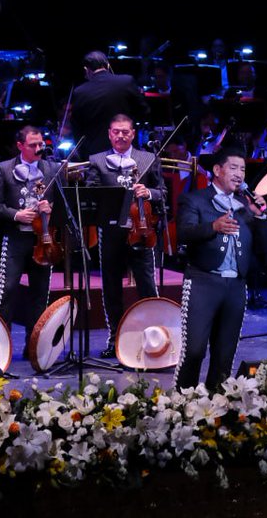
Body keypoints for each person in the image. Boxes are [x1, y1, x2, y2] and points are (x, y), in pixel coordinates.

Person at [174, 146, 267, 390]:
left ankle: (215, 408)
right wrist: (213, 227)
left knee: (224, 354)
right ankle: (181, 401)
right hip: (203, 282)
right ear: (217, 170)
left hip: (236, 285)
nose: (240, 174)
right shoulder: (194, 199)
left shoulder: (245, 206)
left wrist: (260, 217)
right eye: (234, 168)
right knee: (195, 350)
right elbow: (184, 233)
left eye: (243, 169)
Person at [86, 114, 164, 355]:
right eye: (116, 131)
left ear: (133, 134)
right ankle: (115, 338)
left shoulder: (148, 158)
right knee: (111, 288)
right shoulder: (97, 161)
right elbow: (91, 194)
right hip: (111, 233)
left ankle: (155, 336)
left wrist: (148, 192)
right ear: (110, 133)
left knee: (147, 285)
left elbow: (162, 191)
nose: (120, 135)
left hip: (141, 230)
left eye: (125, 132)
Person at [0, 126, 63, 334]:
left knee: (40, 293)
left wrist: (52, 208)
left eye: (41, 144)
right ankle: (1, 339)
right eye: (33, 145)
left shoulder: (52, 169)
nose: (38, 148)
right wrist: (16, 214)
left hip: (44, 237)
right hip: (15, 237)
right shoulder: (4, 169)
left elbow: (64, 206)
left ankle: (34, 345)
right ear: (20, 146)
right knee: (8, 289)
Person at [70, 51, 147, 157]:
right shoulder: (126, 81)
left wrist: (84, 155)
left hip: (96, 153)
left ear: (86, 70)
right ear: (108, 65)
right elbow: (143, 111)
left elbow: (77, 128)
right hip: (126, 148)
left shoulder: (80, 91)